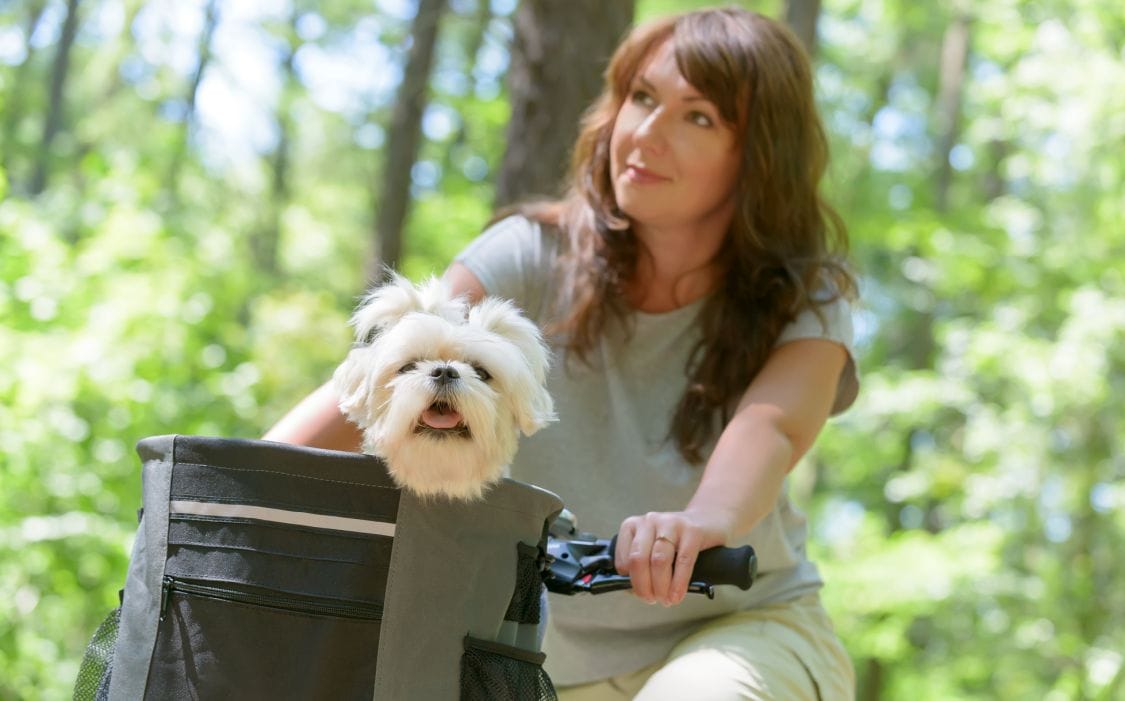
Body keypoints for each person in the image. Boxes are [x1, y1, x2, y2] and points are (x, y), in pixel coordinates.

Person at [265, 6, 859, 699]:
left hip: (743, 627)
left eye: (698, 117)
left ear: (757, 156)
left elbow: (773, 425)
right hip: (544, 663)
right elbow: (387, 373)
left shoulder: (805, 292)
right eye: (642, 98)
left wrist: (701, 524)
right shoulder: (529, 255)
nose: (646, 133)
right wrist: (223, 501)